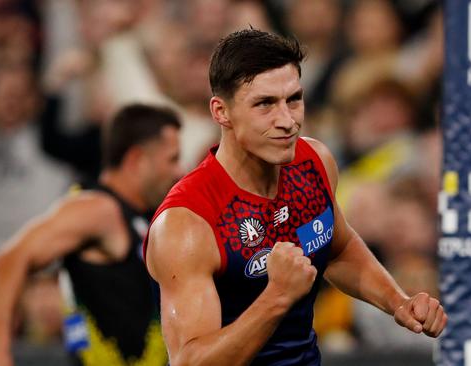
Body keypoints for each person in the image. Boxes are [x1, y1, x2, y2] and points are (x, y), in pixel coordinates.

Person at [144, 29, 446, 366]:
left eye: (294, 99)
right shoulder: (187, 221)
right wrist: (277, 297)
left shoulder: (313, 162)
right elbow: (190, 361)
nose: (287, 121)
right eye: (265, 104)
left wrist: (399, 303)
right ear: (221, 111)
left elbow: (339, 248)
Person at [0, 104, 184, 366]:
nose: (179, 172)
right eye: (172, 159)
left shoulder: (147, 213)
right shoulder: (97, 209)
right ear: (136, 160)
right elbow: (9, 259)